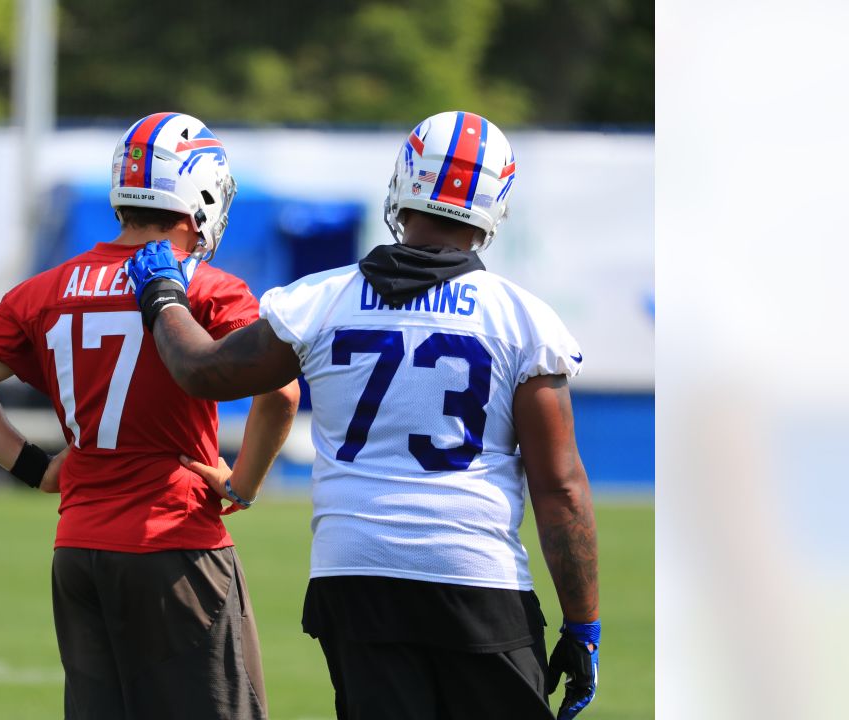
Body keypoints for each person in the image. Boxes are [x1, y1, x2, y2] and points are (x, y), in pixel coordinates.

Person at [125, 111, 600, 720]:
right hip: (474, 578)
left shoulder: (320, 300)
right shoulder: (522, 320)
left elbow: (202, 370)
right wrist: (582, 622)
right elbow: (559, 487)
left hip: (355, 577)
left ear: (403, 182)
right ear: (494, 202)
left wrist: (163, 292)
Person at [0, 111, 299, 720]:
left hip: (78, 549)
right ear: (200, 194)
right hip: (174, 544)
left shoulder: (43, 290)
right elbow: (280, 392)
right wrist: (244, 483)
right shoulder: (208, 287)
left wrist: (37, 469)